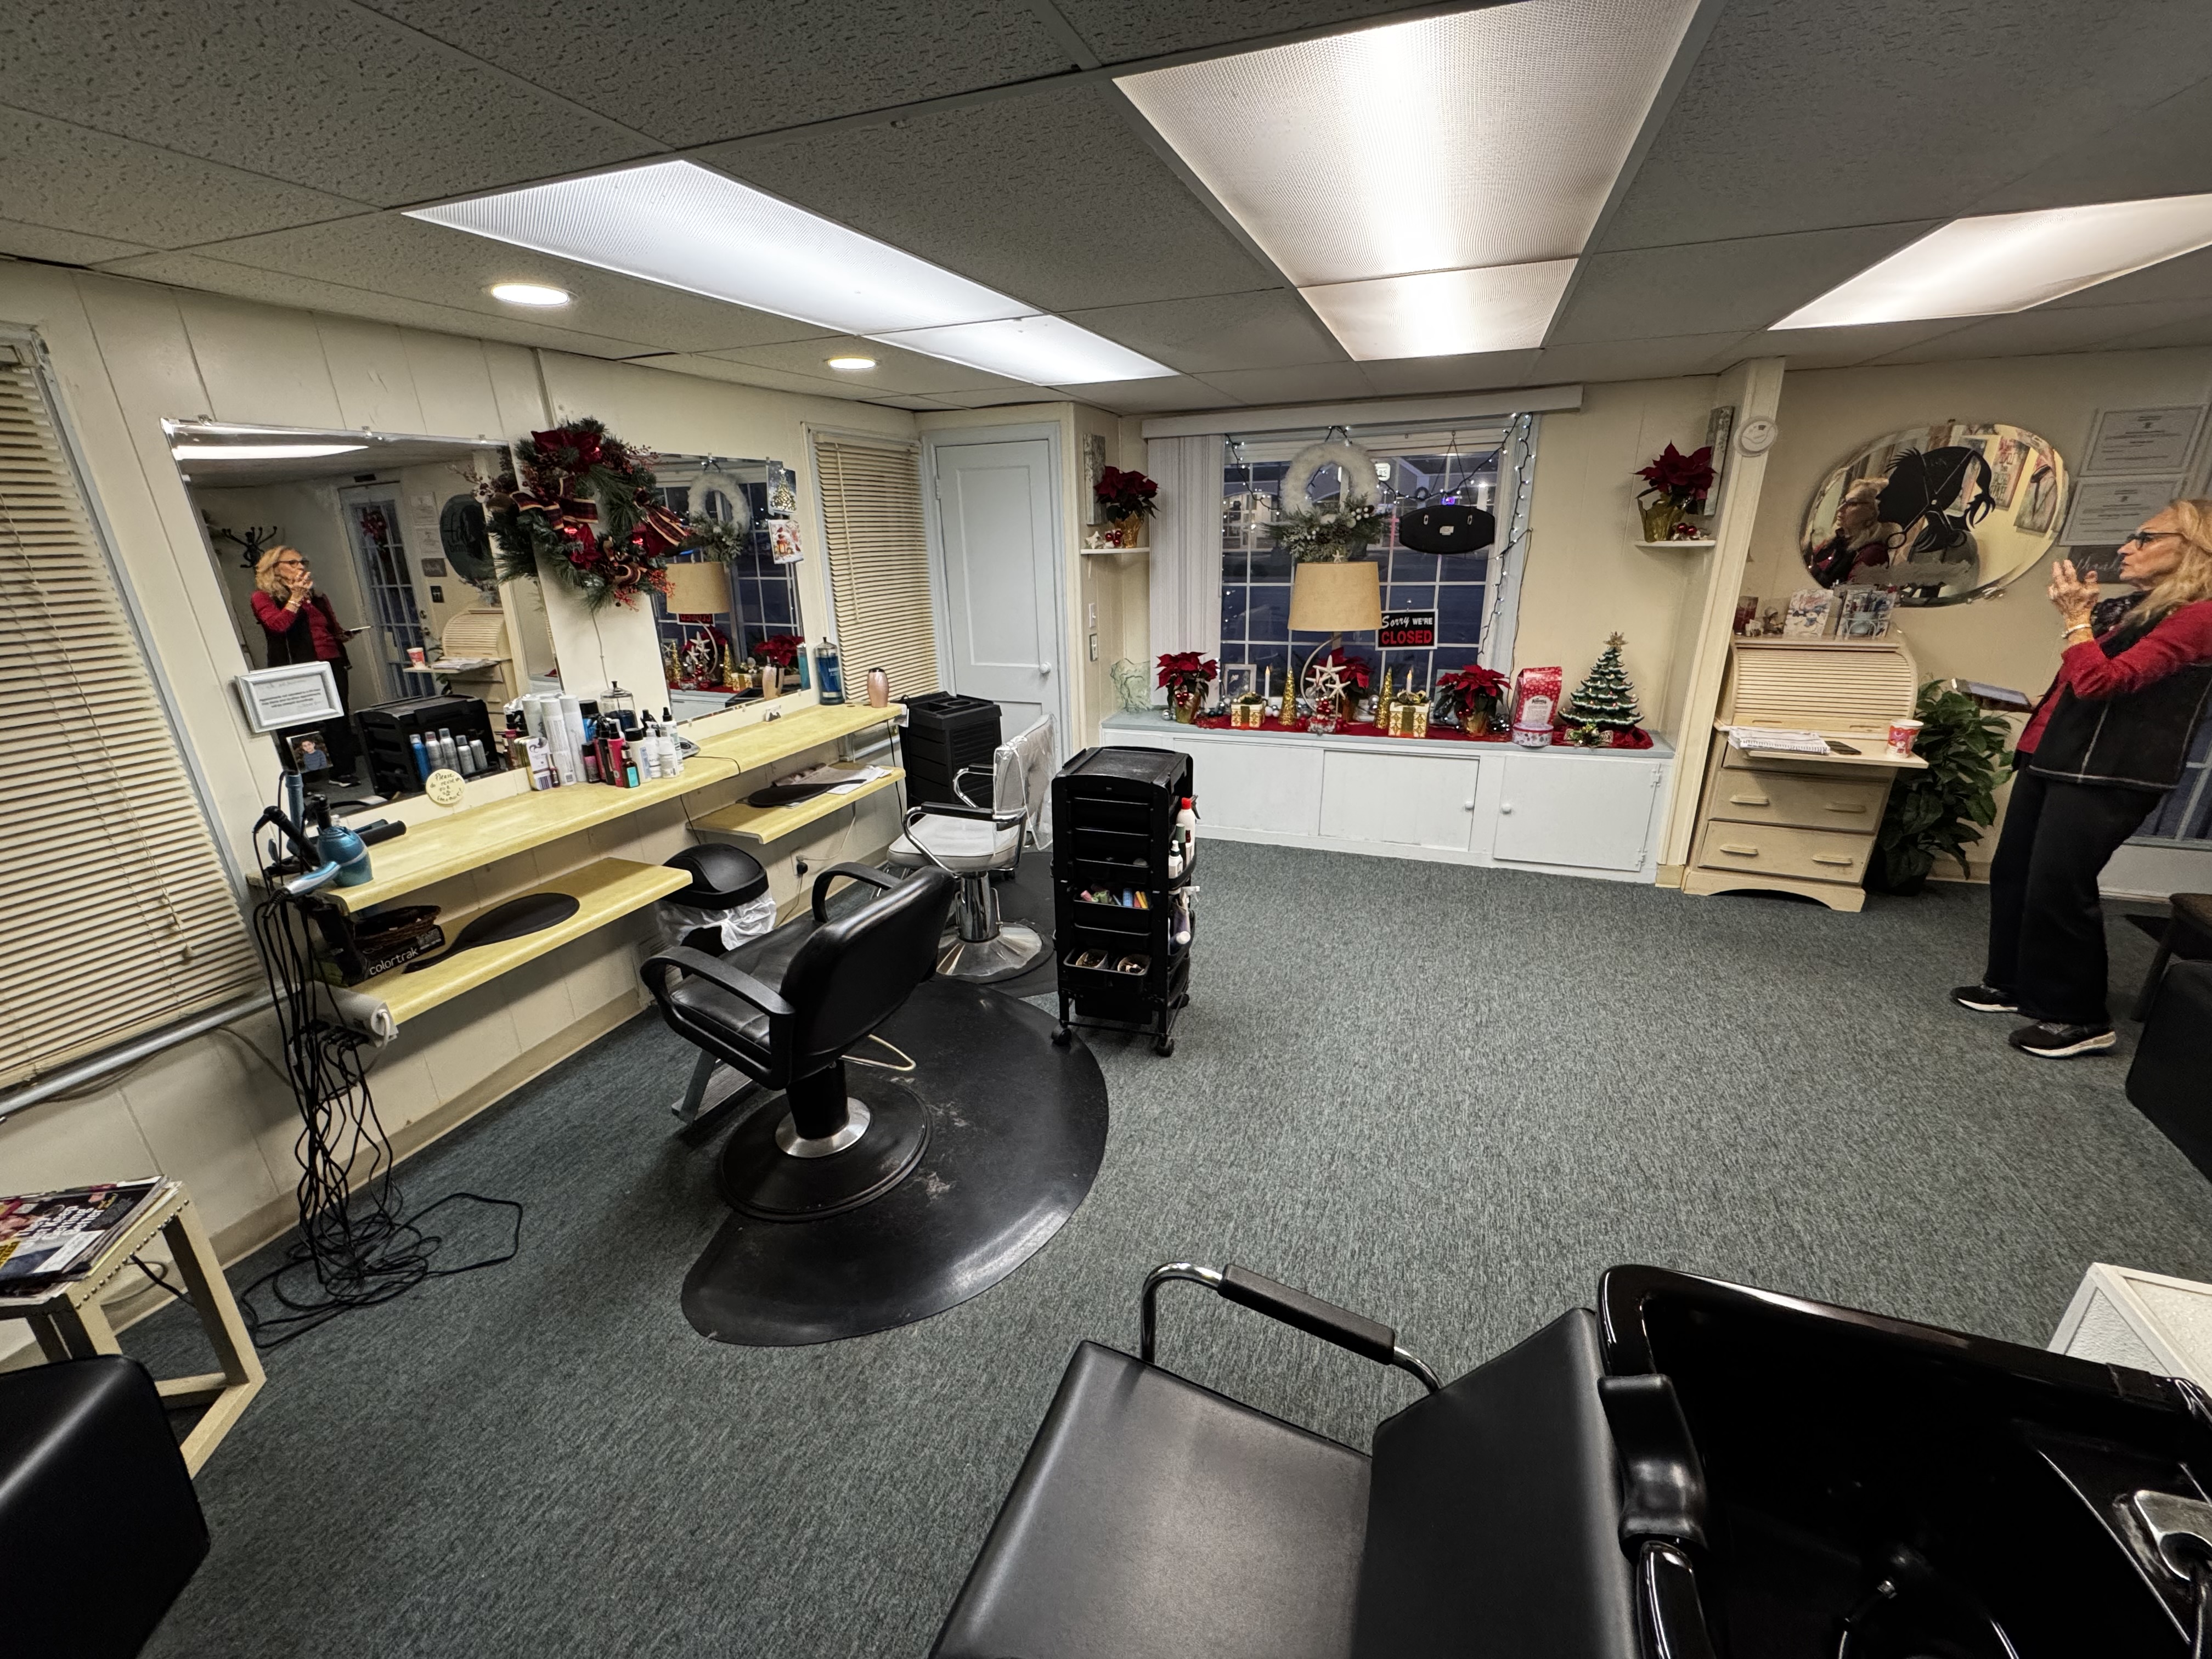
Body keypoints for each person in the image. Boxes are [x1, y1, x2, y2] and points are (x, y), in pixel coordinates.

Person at [1953, 499, 2212, 1057]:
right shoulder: (2141, 608)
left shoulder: (2202, 616)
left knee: (2060, 888)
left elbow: (2104, 684)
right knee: (2016, 873)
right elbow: (2079, 683)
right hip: (2056, 756)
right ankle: (2014, 982)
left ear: (2194, 548)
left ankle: (2079, 1016)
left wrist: (2076, 621)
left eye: (2145, 538)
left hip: (2110, 772)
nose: (2127, 548)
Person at [250, 545, 360, 782]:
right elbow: (277, 626)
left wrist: (342, 635)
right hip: (298, 664)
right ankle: (308, 778)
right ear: (274, 569)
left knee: (339, 715)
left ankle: (343, 771)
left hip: (331, 660)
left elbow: (329, 626)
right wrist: (296, 599)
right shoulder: (263, 597)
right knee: (302, 719)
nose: (300, 567)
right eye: (292, 563)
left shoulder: (316, 596)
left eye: (302, 562)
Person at [1806, 477, 1898, 587]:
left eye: (1853, 503)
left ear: (1874, 512)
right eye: (1844, 502)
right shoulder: (1837, 540)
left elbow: (1850, 598)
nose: (1840, 509)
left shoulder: (1873, 554)